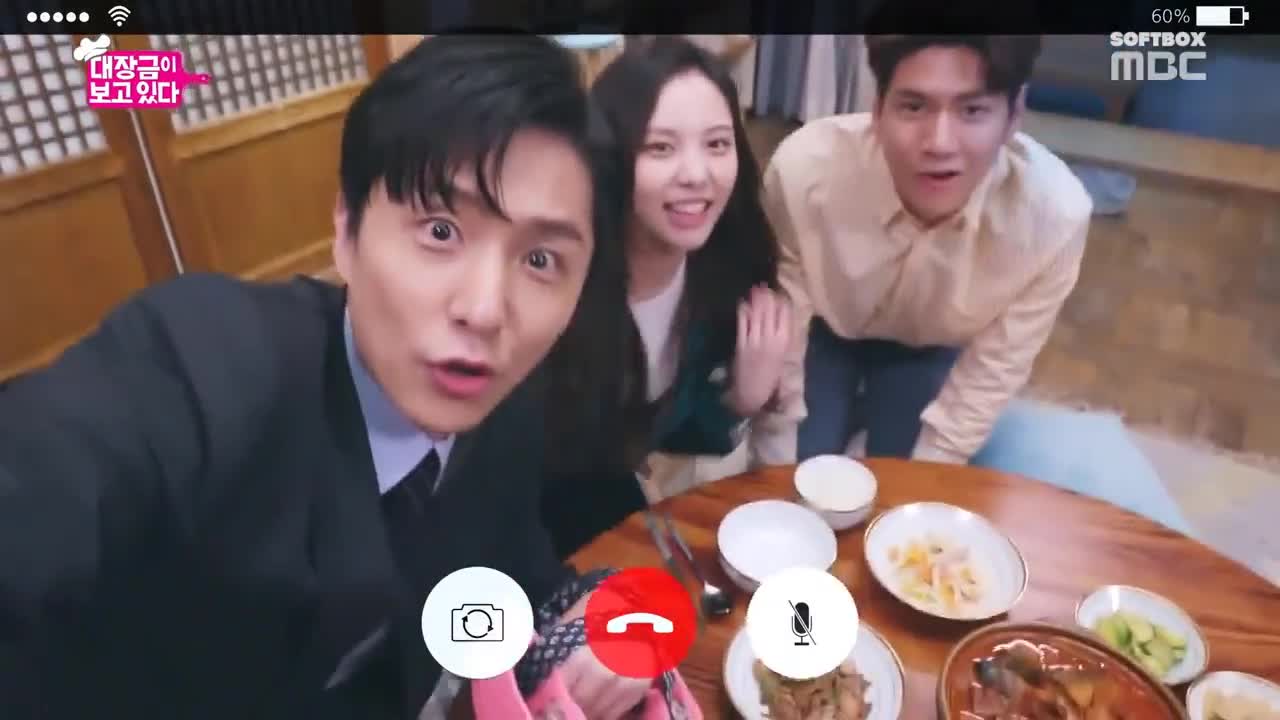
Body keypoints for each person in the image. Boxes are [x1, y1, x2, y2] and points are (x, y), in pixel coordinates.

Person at [0, 35, 649, 720]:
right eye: (439, 231)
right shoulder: (201, 363)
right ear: (346, 228)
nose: (485, 311)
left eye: (541, 260)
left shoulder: (505, 412)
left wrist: (599, 619)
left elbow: (513, 573)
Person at [758, 32, 1092, 465]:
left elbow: (993, 372)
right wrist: (776, 474)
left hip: (933, 347)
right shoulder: (805, 172)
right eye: (914, 107)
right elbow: (785, 333)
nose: (939, 144)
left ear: (1014, 115)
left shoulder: (1052, 218)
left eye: (973, 110)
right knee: (803, 470)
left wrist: (928, 479)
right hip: (826, 332)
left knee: (902, 481)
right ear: (877, 108)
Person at [542, 37, 790, 559]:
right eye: (660, 148)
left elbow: (675, 433)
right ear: (610, 156)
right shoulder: (559, 285)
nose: (697, 175)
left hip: (610, 499)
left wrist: (740, 400)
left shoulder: (721, 272)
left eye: (717, 144)